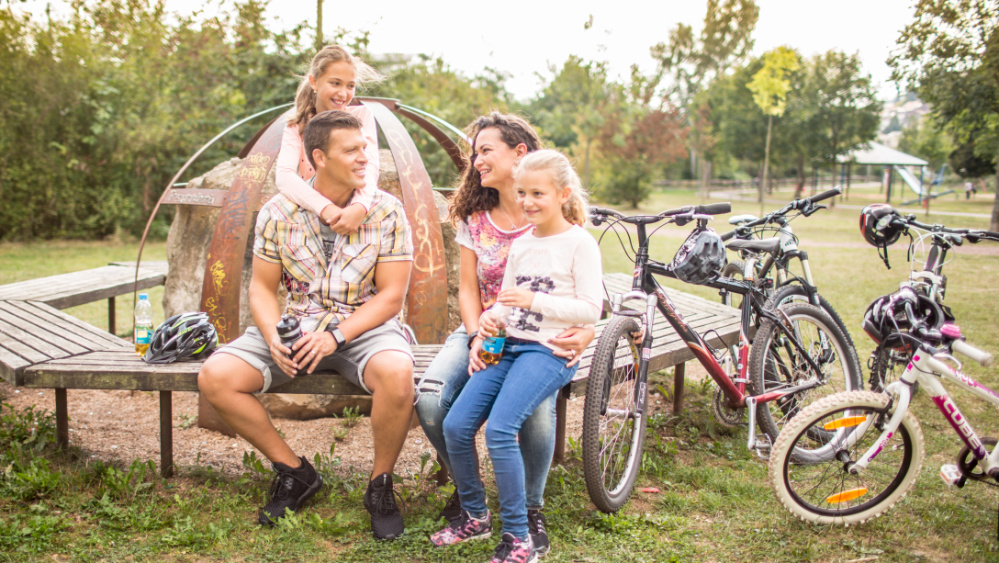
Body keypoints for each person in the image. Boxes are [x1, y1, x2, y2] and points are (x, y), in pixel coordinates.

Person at [198, 111, 415, 540]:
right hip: (295, 325)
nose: (364, 157)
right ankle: (295, 472)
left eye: (364, 147)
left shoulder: (387, 211)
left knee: (398, 372)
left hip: (362, 327)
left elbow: (391, 297)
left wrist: (336, 336)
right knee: (216, 376)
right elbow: (261, 288)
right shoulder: (278, 212)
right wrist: (274, 333)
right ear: (319, 157)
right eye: (351, 150)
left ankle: (380, 486)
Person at [415, 113, 595, 555]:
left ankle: (521, 529)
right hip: (504, 342)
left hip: (546, 349)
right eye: (524, 194)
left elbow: (590, 306)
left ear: (560, 194)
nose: (529, 201)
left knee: (503, 426)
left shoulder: (576, 240)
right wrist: (486, 332)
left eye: (538, 193)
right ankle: (475, 513)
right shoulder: (514, 238)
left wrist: (546, 312)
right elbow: (491, 299)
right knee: (454, 422)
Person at [278, 44, 381, 235]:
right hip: (312, 218)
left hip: (356, 216)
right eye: (335, 83)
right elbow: (284, 176)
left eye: (350, 86)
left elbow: (370, 167)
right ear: (314, 82)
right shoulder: (297, 124)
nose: (343, 94)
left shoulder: (361, 116)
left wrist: (359, 208)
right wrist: (328, 210)